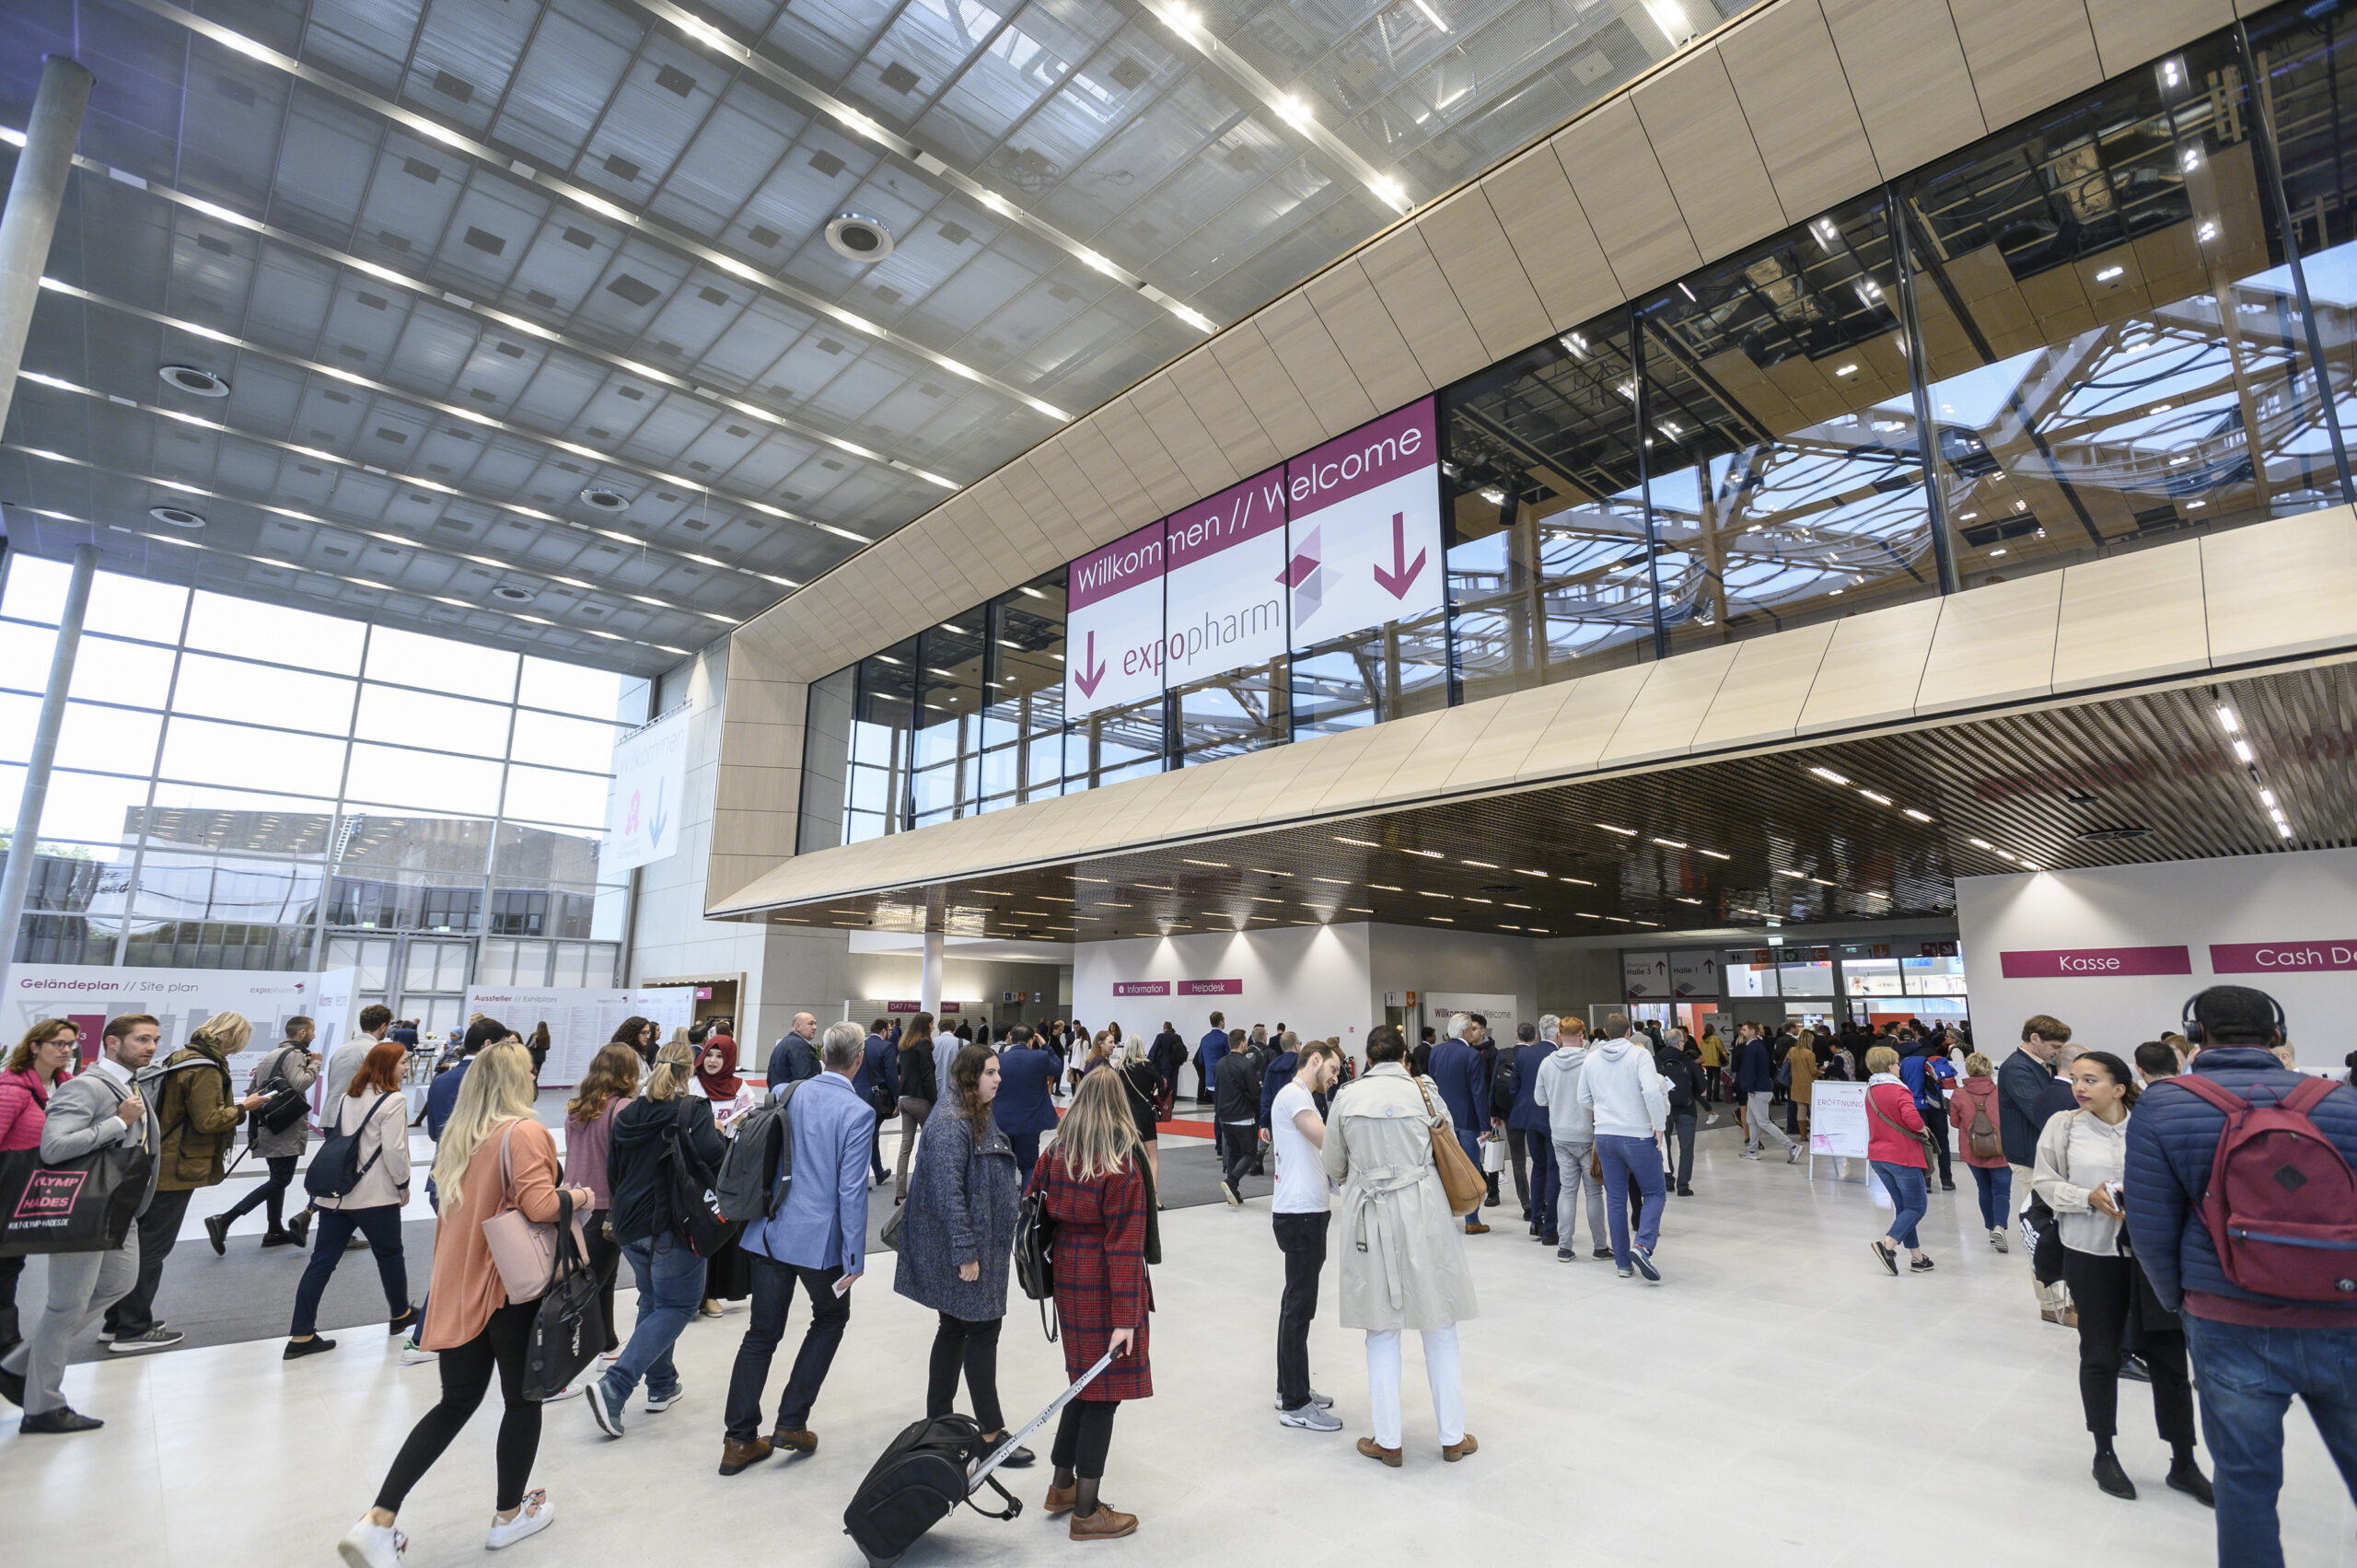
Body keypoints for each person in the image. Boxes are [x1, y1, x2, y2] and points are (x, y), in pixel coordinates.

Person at [2127, 985, 2357, 1566]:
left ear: (2195, 1036)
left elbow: (2151, 1225)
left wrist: (2178, 1301)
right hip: (2342, 1311)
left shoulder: (2164, 1105)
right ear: (2276, 1035)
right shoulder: (2341, 1102)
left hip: (2228, 1316)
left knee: (2247, 1484)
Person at [338, 1039, 590, 1566]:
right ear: (516, 1079)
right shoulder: (523, 1132)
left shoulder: (463, 1135)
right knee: (522, 1402)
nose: (535, 1074)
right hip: (508, 1289)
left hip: (458, 1287)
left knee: (455, 1402)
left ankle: (379, 1519)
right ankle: (506, 1517)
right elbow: (541, 1206)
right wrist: (583, 1197)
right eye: (528, 1068)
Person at [2034, 1049, 2205, 1503]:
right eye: (2075, 1079)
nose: (2079, 1087)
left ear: (2120, 1087)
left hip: (2152, 1258)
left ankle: (2183, 1461)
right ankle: (2103, 1452)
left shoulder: (2149, 1125)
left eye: (2090, 1080)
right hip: (2090, 1254)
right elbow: (2044, 1183)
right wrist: (2085, 1197)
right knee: (2101, 1354)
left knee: (2169, 1358)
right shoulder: (2063, 1126)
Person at [721, 1021, 873, 1476]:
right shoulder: (857, 1113)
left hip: (769, 1229)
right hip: (818, 1243)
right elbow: (851, 1192)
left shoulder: (789, 1091)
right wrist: (854, 1257)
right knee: (830, 1318)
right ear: (859, 1059)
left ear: (822, 1053)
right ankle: (791, 1422)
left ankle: (738, 1440)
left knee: (761, 1333)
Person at [1319, 1025, 1475, 1467]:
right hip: (1424, 1212)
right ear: (1405, 1057)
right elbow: (1451, 1144)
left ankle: (1388, 1441)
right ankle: (1451, 1437)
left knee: (1381, 1330)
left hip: (1371, 1217)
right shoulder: (1425, 1093)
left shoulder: (1347, 1097)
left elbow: (1333, 1164)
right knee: (1440, 1325)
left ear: (1367, 1058)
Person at [0, 1015, 161, 1432]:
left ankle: (17, 1364)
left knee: (118, 1284)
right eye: (141, 1039)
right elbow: (54, 1149)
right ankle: (42, 1407)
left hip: (117, 1209)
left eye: (154, 1039)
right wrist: (117, 1121)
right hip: (85, 1208)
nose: (150, 1046)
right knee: (66, 1305)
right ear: (111, 1042)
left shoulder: (129, 1084)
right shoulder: (84, 1087)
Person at [1029, 1066, 1153, 1539]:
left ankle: (1062, 1486)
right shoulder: (1122, 1162)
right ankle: (1086, 1512)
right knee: (1104, 1396)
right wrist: (1127, 1318)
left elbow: (1031, 1204)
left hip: (1067, 1271)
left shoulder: (1056, 1151)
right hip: (1104, 1279)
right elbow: (1125, 1245)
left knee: (1082, 1381)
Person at [896, 1042, 1031, 1466]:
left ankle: (938, 1421)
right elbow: (948, 1195)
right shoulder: (952, 1122)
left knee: (954, 1330)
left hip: (980, 1246)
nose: (998, 1079)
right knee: (982, 1333)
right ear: (971, 1077)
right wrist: (965, 1254)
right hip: (969, 1253)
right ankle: (990, 1436)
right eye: (991, 1072)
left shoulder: (971, 1112)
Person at [105, 1010, 266, 1353]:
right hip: (176, 1168)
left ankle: (116, 1320)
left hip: (155, 1160)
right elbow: (209, 1120)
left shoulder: (181, 1057)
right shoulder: (205, 1067)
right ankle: (133, 1329)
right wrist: (245, 1107)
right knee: (152, 1248)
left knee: (136, 1242)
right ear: (229, 1037)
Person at [586, 1040, 723, 1436]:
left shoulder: (629, 1113)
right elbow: (714, 1159)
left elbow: (615, 1169)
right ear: (689, 1071)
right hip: (672, 1225)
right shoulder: (693, 1110)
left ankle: (661, 1385)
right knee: (678, 1306)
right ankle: (617, 1385)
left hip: (630, 1225)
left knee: (654, 1303)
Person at [284, 1040, 413, 1359]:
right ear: (388, 1067)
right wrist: (404, 1183)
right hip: (374, 1195)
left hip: (335, 1195)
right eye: (403, 1062)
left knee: (322, 1262)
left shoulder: (347, 1096)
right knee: (390, 1254)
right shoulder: (393, 1100)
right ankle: (400, 1314)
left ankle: (301, 1334)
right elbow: (395, 1150)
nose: (407, 1067)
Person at [1271, 1040, 1341, 1432]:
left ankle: (1290, 1388)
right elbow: (1327, 1141)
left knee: (1296, 1305)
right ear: (1315, 1059)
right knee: (1300, 1307)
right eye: (1331, 1070)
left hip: (1305, 1212)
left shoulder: (1300, 1096)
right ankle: (1296, 1404)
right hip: (1300, 1215)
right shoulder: (1294, 1096)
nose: (1332, 1080)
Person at [208, 1016, 321, 1253]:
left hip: (270, 1126)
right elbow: (300, 1084)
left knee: (276, 1179)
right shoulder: (294, 1056)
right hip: (286, 1128)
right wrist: (315, 1064)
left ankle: (274, 1230)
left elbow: (253, 1090)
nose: (313, 1036)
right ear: (301, 1033)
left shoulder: (270, 1055)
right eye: (311, 1032)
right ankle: (225, 1219)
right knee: (281, 1179)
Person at [1578, 1016, 1668, 1281]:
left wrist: (1606, 1110)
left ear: (1606, 1032)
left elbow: (1583, 1097)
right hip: (1638, 1134)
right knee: (1654, 1193)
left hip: (1605, 1135)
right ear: (1629, 1032)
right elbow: (1651, 1092)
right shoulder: (1639, 1056)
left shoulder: (1591, 1057)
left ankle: (1622, 1264)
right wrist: (1659, 1125)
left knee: (1615, 1199)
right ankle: (1641, 1245)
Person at [563, 1043, 639, 1362]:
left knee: (598, 1279)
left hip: (573, 1202)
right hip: (606, 1205)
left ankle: (607, 1343)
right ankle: (571, 1353)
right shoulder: (623, 1109)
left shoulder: (576, 1108)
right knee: (591, 1284)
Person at [2002, 1015, 2073, 1323]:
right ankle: (2051, 1304)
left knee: (2055, 1230)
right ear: (2034, 1038)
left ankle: (2063, 1300)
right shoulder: (2017, 1068)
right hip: (2031, 1161)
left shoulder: (2041, 1066)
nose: (2056, 1052)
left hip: (2043, 1160)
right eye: (2053, 1046)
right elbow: (2040, 1113)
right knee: (2041, 1230)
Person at [1533, 1016, 1608, 1261]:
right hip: (1587, 1134)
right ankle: (1599, 1247)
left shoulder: (1546, 1063)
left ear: (1558, 1036)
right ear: (1582, 1035)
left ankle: (1564, 1247)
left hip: (1560, 1134)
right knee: (1594, 1193)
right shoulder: (1590, 1061)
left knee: (1567, 1191)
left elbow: (1540, 1100)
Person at [1428, 1015, 1492, 1237]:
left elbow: (1432, 1087)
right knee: (1469, 1168)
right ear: (1465, 1032)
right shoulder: (1472, 1055)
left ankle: (1443, 1217)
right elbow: (1478, 1092)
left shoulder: (1435, 1052)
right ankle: (1472, 1220)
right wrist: (1485, 1123)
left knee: (1442, 1168)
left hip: (1442, 1121)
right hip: (1467, 1120)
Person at [1952, 1052, 2012, 1252]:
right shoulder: (2000, 1092)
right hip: (2001, 1149)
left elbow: (1954, 1122)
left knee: (1984, 1190)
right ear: (1988, 1069)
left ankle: (1989, 1230)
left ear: (1968, 1069)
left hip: (1972, 1151)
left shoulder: (1959, 1094)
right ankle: (1999, 1227)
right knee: (2002, 1191)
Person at [991, 1024, 1061, 1176]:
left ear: (1010, 1038)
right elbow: (1058, 1067)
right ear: (1031, 1041)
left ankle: (1005, 1197)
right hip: (1030, 1122)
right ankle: (1026, 1197)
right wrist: (1044, 1045)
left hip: (1002, 1120)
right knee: (1029, 1167)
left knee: (1003, 1165)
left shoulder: (998, 1059)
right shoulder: (1040, 1057)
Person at [1734, 1021, 1798, 1162]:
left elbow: (1751, 1070)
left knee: (1763, 1122)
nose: (1741, 1032)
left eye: (1744, 1030)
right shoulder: (1757, 1046)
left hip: (1758, 1090)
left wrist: (1750, 1088)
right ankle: (1752, 1150)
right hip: (1759, 1088)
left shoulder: (1752, 1047)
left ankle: (1792, 1146)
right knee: (1751, 1120)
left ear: (1752, 1032)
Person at [1900, 1035, 1957, 1191]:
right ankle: (1946, 1180)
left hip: (1916, 1107)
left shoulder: (1905, 1063)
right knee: (1942, 1142)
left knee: (1921, 1144)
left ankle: (1926, 1182)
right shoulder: (1935, 1059)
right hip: (1937, 1106)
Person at [1214, 1024, 1263, 1206]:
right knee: (1250, 1153)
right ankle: (1232, 1181)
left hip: (1224, 1117)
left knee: (1233, 1153)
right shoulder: (1246, 1064)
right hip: (1243, 1116)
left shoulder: (1220, 1064)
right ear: (1243, 1043)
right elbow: (1254, 1092)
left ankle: (1232, 1192)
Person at [1654, 1030, 1705, 1198]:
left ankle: (1667, 1180)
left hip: (1663, 1109)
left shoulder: (1656, 1060)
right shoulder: (1688, 1061)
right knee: (1686, 1147)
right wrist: (1690, 1095)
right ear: (1679, 1043)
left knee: (1664, 1145)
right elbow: (1701, 1085)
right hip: (1687, 1109)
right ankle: (1683, 1185)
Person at [893, 1016, 938, 1205]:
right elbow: (927, 1075)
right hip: (920, 1099)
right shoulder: (923, 1044)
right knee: (931, 1143)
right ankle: (928, 1187)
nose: (933, 1026)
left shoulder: (904, 1044)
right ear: (925, 1026)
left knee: (906, 1146)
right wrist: (935, 1102)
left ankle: (900, 1193)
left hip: (904, 1098)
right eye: (931, 1023)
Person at [1114, 1036, 1166, 1197]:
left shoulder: (1119, 1068)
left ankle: (1128, 1193)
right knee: (1152, 1156)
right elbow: (1162, 1083)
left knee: (1126, 1155)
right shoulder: (1146, 1065)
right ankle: (1153, 1196)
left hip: (1125, 1114)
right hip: (1145, 1112)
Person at [855, 1019, 898, 1187]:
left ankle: (879, 1172)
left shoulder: (861, 1045)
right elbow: (892, 1077)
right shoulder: (886, 1048)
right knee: (869, 1137)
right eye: (890, 1029)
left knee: (871, 1134)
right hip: (876, 1097)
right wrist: (895, 1100)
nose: (891, 1032)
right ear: (882, 1031)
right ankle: (860, 1179)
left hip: (858, 1094)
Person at [327, 1005, 394, 1101]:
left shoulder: (342, 1049)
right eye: (388, 1025)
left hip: (332, 1110)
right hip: (354, 1110)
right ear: (383, 1027)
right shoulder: (376, 1051)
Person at [767, 1011, 821, 1091]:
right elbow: (803, 1079)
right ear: (798, 1026)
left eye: (815, 1024)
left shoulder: (786, 1042)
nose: (815, 1027)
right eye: (810, 1024)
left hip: (781, 1096)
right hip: (792, 1098)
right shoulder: (798, 1045)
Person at [1784, 1028, 1817, 1143]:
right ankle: (1815, 1134)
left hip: (1796, 1084)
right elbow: (1813, 1071)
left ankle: (1803, 1135)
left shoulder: (1792, 1051)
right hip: (1809, 1084)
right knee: (1813, 1110)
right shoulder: (1809, 1053)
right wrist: (1821, 1071)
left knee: (1801, 1110)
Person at [1195, 1010, 1228, 1106]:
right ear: (1221, 1022)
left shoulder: (1204, 1039)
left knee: (1217, 1109)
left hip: (1210, 1081)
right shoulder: (1225, 1038)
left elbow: (1201, 1060)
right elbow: (1230, 1058)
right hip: (1223, 1080)